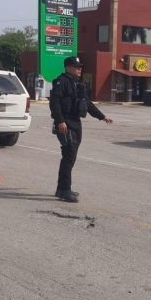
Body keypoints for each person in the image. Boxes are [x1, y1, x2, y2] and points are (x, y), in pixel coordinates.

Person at [49, 56, 113, 203]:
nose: (80, 69)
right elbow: (55, 103)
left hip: (76, 122)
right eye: (76, 67)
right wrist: (60, 121)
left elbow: (87, 103)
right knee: (68, 156)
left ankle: (62, 189)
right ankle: (64, 190)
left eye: (80, 67)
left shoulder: (77, 84)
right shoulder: (61, 82)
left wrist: (101, 116)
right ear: (68, 67)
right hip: (66, 123)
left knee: (71, 157)